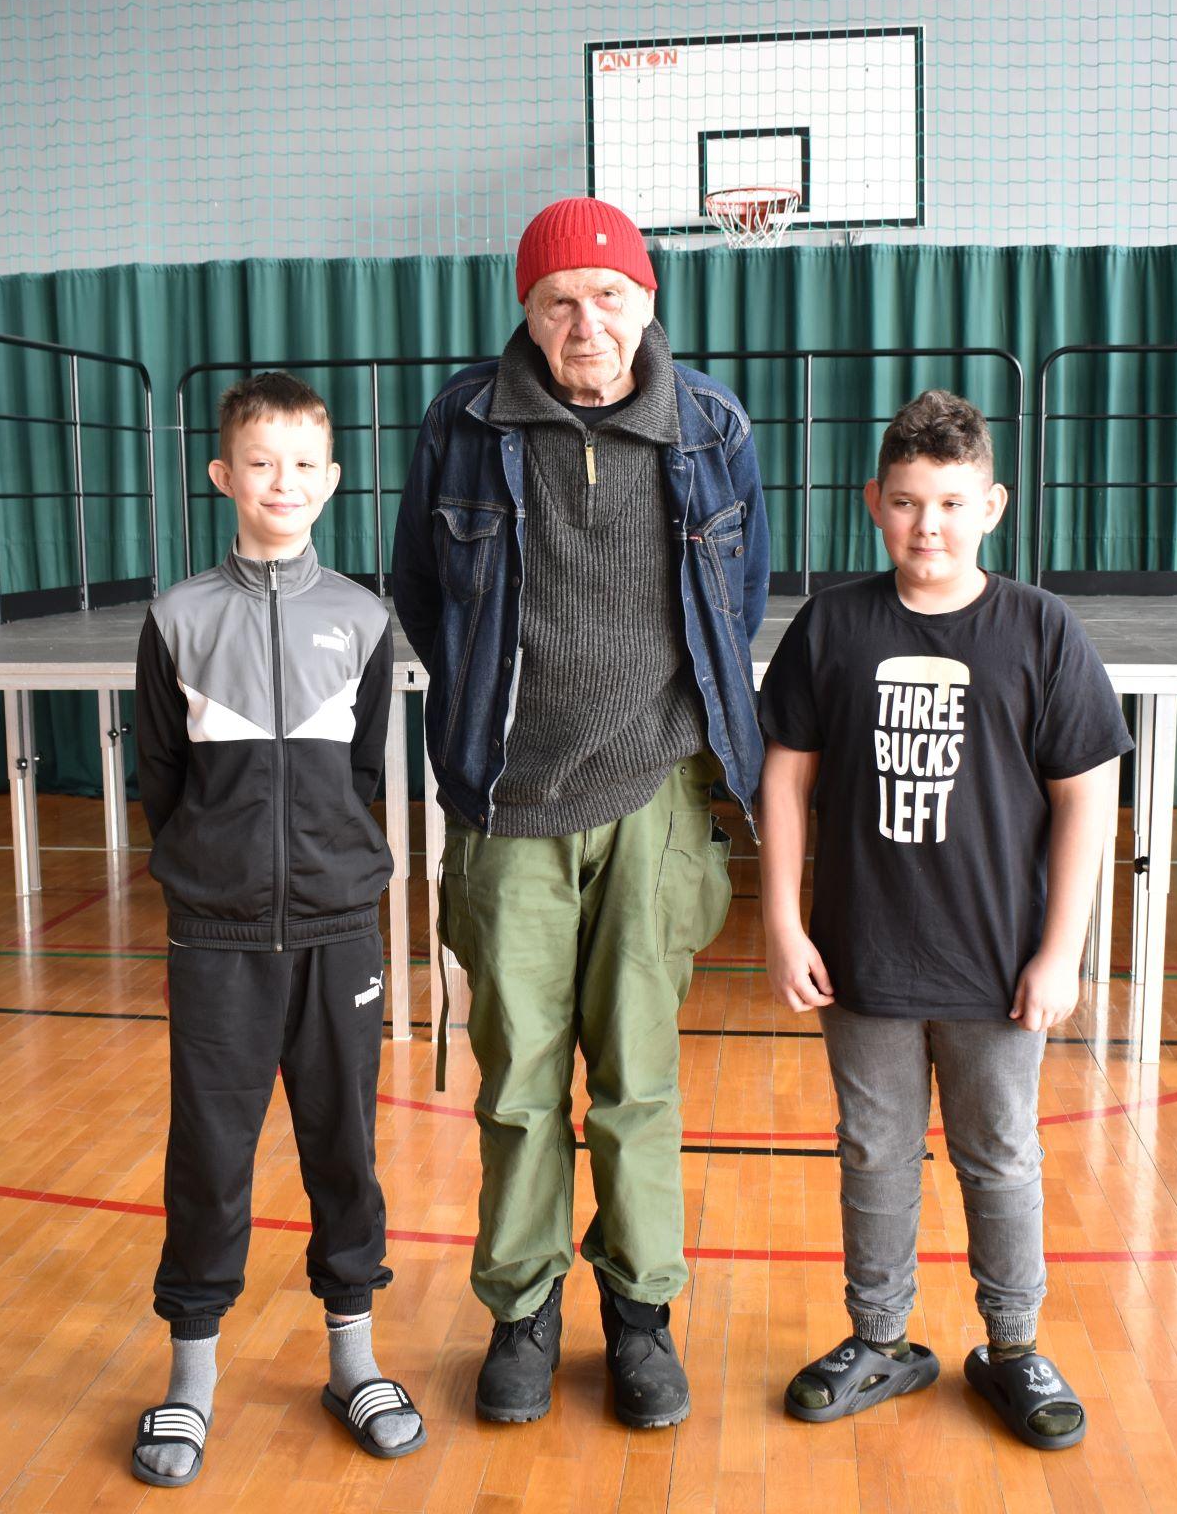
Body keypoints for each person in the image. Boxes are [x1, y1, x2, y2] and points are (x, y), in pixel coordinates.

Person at [389, 197, 768, 1429]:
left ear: (647, 301)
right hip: (509, 801)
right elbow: (421, 589)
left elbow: (738, 596)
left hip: (656, 793)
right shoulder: (463, 421)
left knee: (638, 1081)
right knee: (517, 1082)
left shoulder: (710, 424)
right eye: (558, 301)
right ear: (528, 311)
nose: (585, 322)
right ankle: (523, 1313)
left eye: (608, 296)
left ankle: (641, 1316)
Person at [757, 389, 1128, 1451]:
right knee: (873, 1151)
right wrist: (782, 922)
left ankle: (1014, 1345)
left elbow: (1087, 796)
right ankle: (880, 1338)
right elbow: (785, 781)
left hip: (997, 964)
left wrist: (1061, 950)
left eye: (953, 503)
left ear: (992, 506)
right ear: (874, 501)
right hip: (863, 955)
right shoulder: (834, 625)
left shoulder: (1040, 629)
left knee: (999, 1155)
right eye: (909, 502)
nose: (930, 526)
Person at [128, 373, 421, 1487]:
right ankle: (190, 1378)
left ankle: (354, 1360)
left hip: (341, 930)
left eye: (303, 464)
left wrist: (325, 868)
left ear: (331, 480)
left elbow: (361, 773)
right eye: (260, 462)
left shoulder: (364, 618)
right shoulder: (176, 618)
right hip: (218, 940)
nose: (281, 482)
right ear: (223, 475)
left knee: (343, 1146)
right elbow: (162, 778)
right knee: (210, 1155)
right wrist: (214, 869)